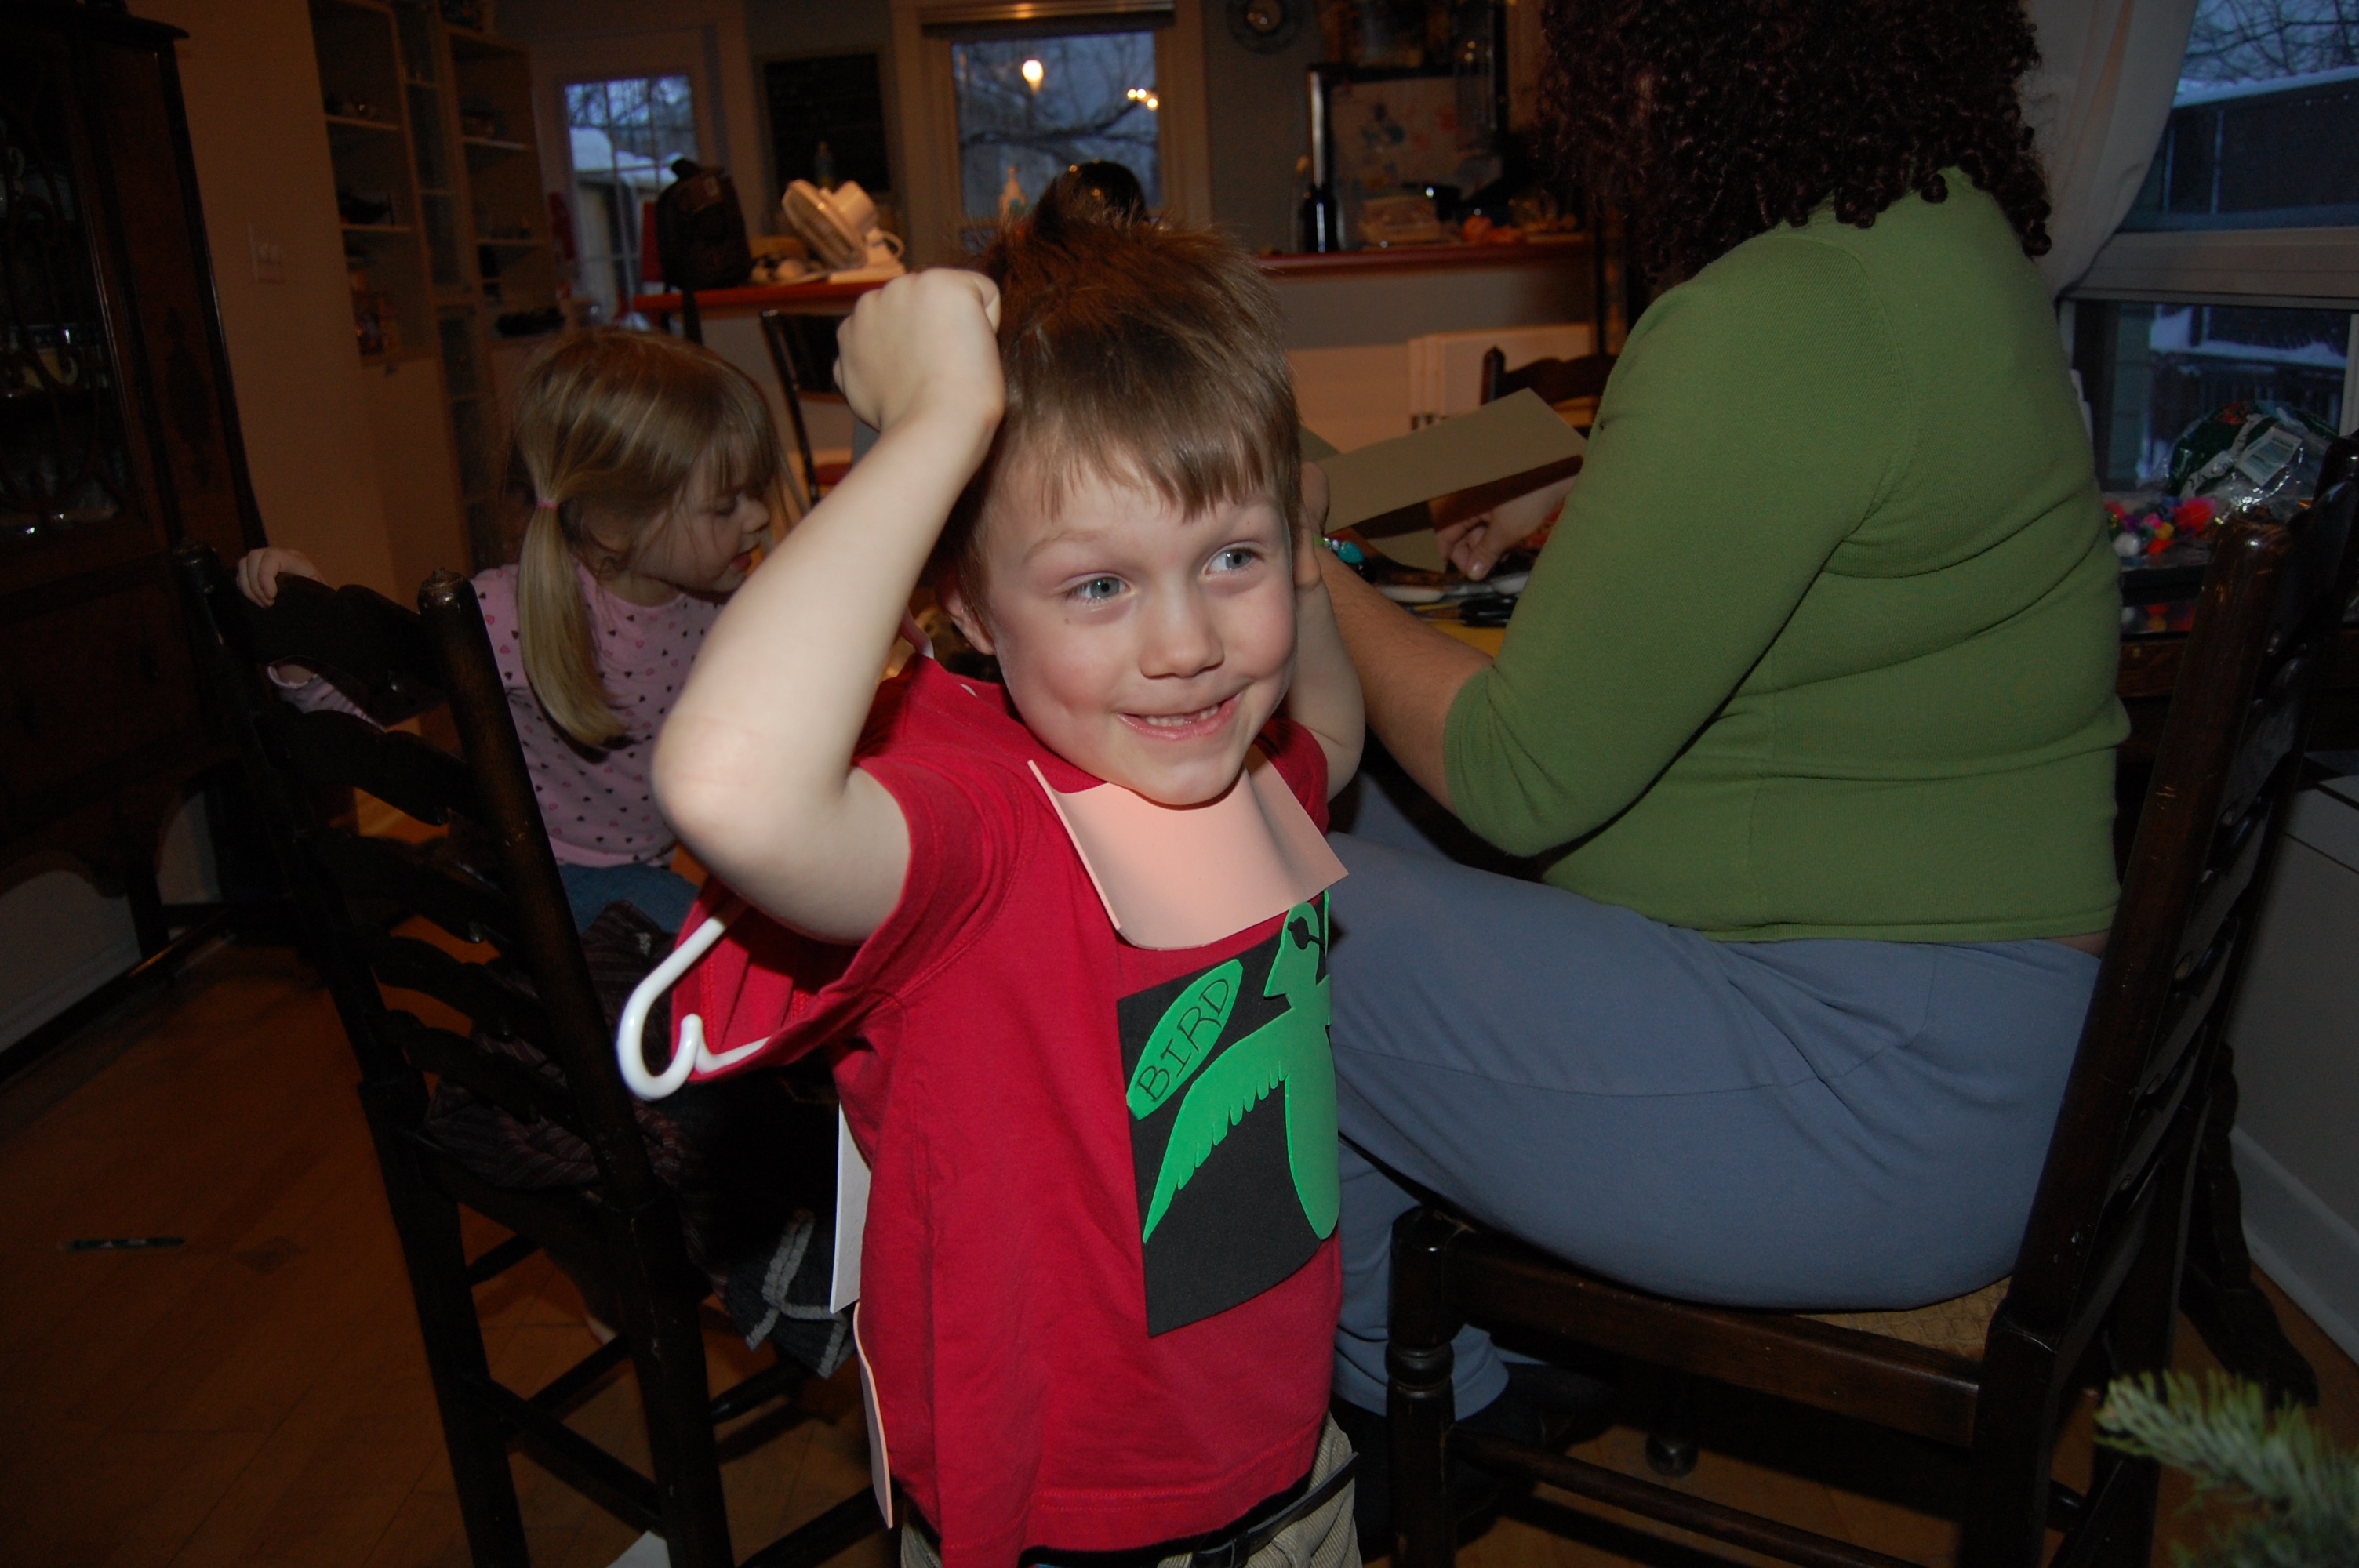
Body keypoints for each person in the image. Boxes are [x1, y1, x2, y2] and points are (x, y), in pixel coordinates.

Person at [1307, 0, 2128, 1532]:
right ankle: (1473, 1340)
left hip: (1885, 1098)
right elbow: (1817, 497)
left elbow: (1517, 773)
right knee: (1325, 817)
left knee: (1238, 908)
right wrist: (1579, 492)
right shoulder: (1937, 246)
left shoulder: (1783, 310)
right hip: (2002, 1046)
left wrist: (1287, 560)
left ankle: (1428, 1403)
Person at [650, 190, 1366, 1566]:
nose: (1186, 646)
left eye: (1228, 559)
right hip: (1060, 1525)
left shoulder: (1244, 769)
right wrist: (935, 430)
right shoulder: (977, 835)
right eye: (1099, 586)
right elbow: (730, 785)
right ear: (967, 606)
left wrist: (1302, 557)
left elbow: (1327, 732)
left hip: (1292, 1470)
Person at [234, 328, 785, 935]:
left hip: (640, 864)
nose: (758, 516)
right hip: (538, 877)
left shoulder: (717, 596)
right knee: (730, 951)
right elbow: (355, 724)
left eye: (754, 491)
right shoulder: (510, 614)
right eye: (725, 505)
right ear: (613, 525)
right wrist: (301, 640)